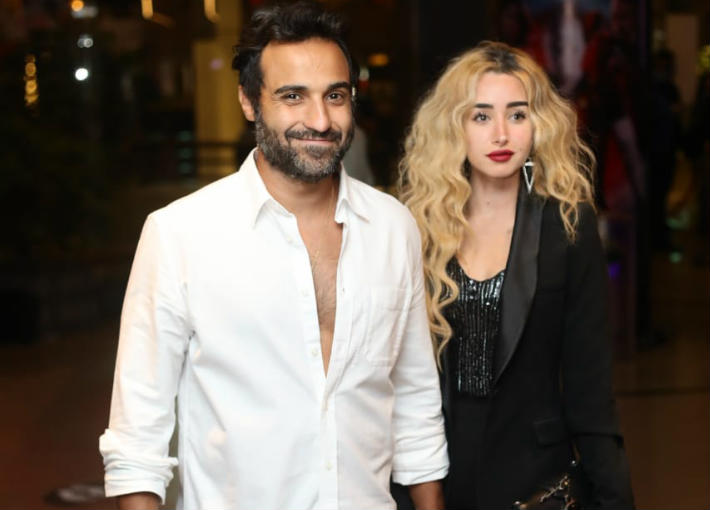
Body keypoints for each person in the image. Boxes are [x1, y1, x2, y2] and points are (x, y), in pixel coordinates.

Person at [98, 3, 448, 509]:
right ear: (249, 101)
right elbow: (137, 439)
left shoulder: (394, 228)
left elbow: (414, 400)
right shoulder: (180, 234)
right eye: (293, 96)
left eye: (335, 95)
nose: (320, 120)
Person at [396, 41, 634, 508]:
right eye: (481, 116)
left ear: (538, 123)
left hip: (534, 480)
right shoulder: (417, 226)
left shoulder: (567, 225)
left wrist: (615, 497)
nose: (501, 134)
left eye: (517, 114)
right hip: (433, 476)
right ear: (454, 126)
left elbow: (590, 389)